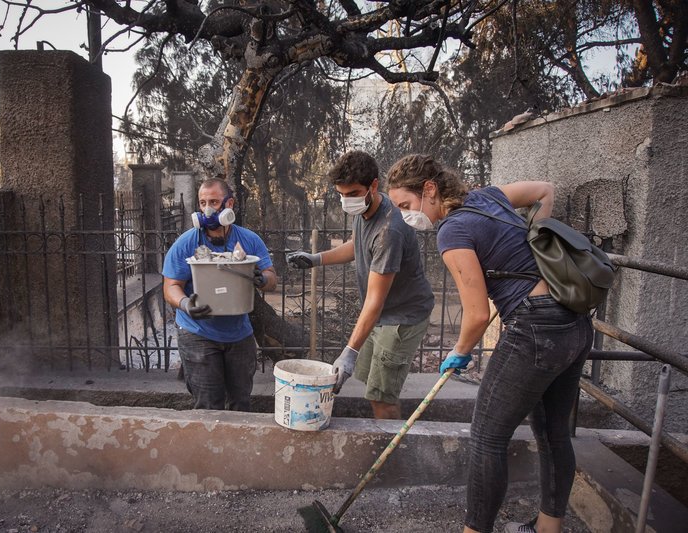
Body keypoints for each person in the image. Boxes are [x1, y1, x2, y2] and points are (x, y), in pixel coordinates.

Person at [386, 154, 593, 533]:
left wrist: (459, 353)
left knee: (486, 436)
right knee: (552, 431)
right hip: (574, 323)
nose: (405, 216)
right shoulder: (490, 196)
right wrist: (536, 236)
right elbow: (545, 191)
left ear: (429, 190)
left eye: (406, 205)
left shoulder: (451, 231)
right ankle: (548, 528)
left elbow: (477, 314)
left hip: (536, 330)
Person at [287, 151, 434, 420]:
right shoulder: (366, 208)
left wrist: (349, 352)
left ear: (374, 186)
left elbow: (374, 302)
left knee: (382, 398)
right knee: (372, 384)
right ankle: (379, 435)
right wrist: (316, 259)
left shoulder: (390, 230)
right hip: (383, 314)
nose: (347, 200)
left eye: (353, 192)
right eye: (341, 194)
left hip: (401, 318)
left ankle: (391, 455)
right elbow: (357, 245)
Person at [163, 178, 277, 411]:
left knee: (240, 403)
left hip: (239, 333)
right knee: (207, 405)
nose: (207, 209)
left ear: (229, 204)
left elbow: (271, 277)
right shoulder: (186, 242)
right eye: (203, 202)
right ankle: (208, 448)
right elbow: (170, 286)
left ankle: (234, 447)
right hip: (198, 333)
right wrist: (185, 304)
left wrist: (261, 279)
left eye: (214, 202)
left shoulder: (249, 240)